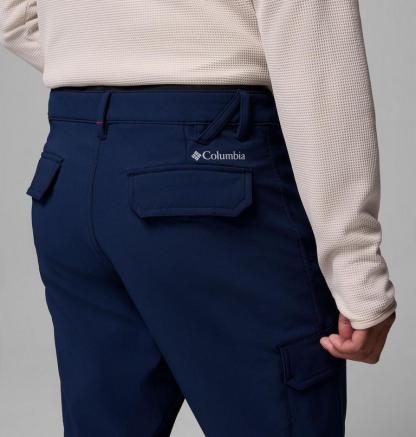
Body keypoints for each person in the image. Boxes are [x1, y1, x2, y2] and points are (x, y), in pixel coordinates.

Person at [0, 1, 397, 436]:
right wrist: (359, 276)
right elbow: (318, 66)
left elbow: (13, 14)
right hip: (209, 168)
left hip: (72, 168)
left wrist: (98, 54)